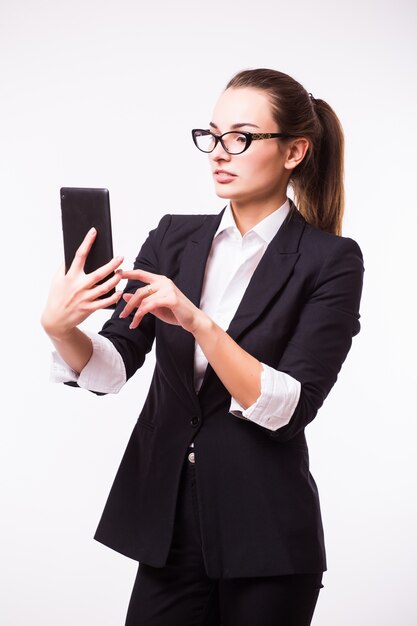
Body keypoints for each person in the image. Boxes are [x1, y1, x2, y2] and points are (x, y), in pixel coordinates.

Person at [42, 68, 364, 626]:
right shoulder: (173, 238)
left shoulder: (330, 260)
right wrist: (62, 329)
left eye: (241, 137)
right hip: (166, 527)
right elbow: (113, 367)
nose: (219, 152)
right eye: (212, 135)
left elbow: (286, 406)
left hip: (266, 536)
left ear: (294, 152)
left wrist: (199, 323)